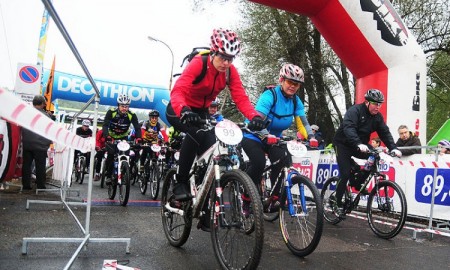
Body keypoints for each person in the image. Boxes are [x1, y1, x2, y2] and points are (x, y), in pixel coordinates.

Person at [165, 28, 265, 202]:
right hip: (180, 109)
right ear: (213, 52)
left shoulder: (229, 72)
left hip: (202, 112)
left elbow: (240, 97)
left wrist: (254, 116)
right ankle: (180, 182)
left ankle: (205, 207)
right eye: (223, 57)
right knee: (196, 133)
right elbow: (178, 90)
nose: (226, 63)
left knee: (213, 149)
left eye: (230, 59)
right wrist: (184, 110)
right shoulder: (199, 63)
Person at [241, 63, 316, 202]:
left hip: (274, 139)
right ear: (282, 80)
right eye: (290, 82)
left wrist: (311, 136)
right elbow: (258, 120)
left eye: (297, 84)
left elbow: (303, 123)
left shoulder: (296, 101)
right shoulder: (270, 95)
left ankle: (275, 197)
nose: (293, 86)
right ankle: (246, 196)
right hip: (254, 135)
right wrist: (266, 134)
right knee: (259, 162)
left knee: (282, 159)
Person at [333, 89, 402, 218]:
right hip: (343, 144)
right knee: (346, 173)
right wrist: (358, 143)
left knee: (374, 156)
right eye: (375, 104)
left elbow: (384, 133)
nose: (378, 107)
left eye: (380, 104)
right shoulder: (355, 111)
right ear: (367, 102)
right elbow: (349, 128)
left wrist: (393, 147)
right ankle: (337, 203)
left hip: (360, 145)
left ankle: (358, 182)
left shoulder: (377, 117)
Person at [102, 94, 142, 184]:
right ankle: (108, 175)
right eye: (122, 106)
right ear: (118, 106)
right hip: (111, 136)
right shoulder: (111, 112)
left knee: (127, 155)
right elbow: (105, 125)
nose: (124, 108)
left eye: (126, 106)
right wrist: (107, 136)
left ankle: (126, 172)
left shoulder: (132, 115)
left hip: (123, 137)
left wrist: (139, 138)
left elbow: (137, 127)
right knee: (111, 155)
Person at [21, 95, 53, 190]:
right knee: (40, 166)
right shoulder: (46, 116)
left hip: (27, 143)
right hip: (40, 145)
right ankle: (40, 186)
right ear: (43, 104)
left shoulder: (26, 113)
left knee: (26, 165)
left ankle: (26, 185)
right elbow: (50, 130)